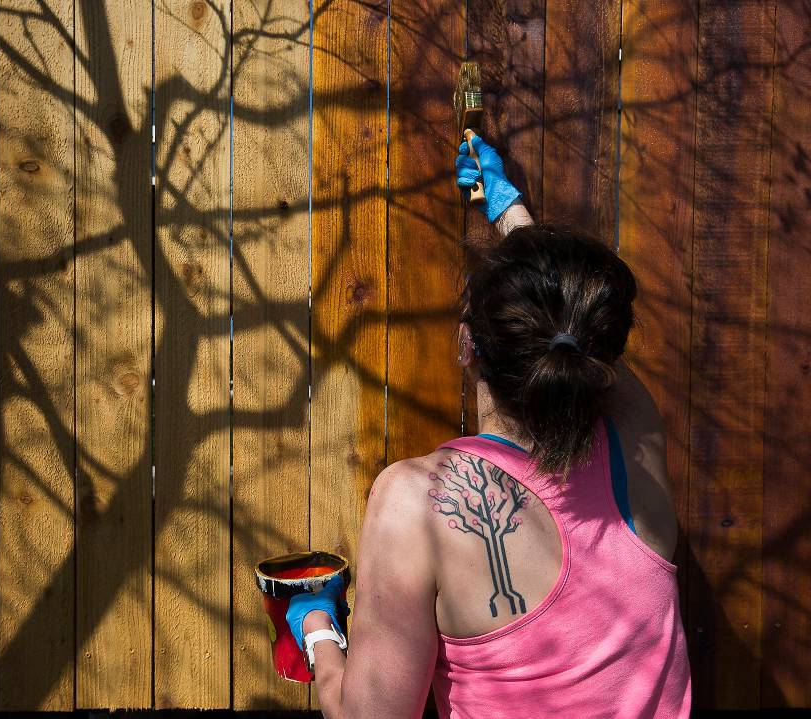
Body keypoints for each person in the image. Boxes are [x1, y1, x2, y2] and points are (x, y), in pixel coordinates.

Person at [284, 133, 692, 718]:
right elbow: (579, 331)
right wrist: (507, 212)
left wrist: (318, 626)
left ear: (465, 345)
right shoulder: (637, 433)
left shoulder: (418, 502)